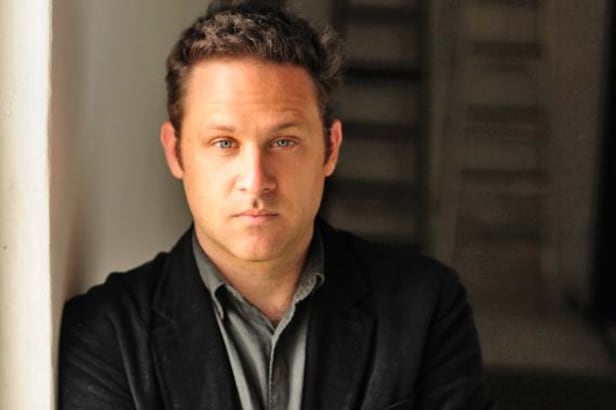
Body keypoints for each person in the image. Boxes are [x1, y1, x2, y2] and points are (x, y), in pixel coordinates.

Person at [58, 1, 493, 409]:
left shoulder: (426, 308)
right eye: (224, 142)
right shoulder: (106, 334)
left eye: (284, 142)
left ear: (330, 149)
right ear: (175, 152)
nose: (256, 179)